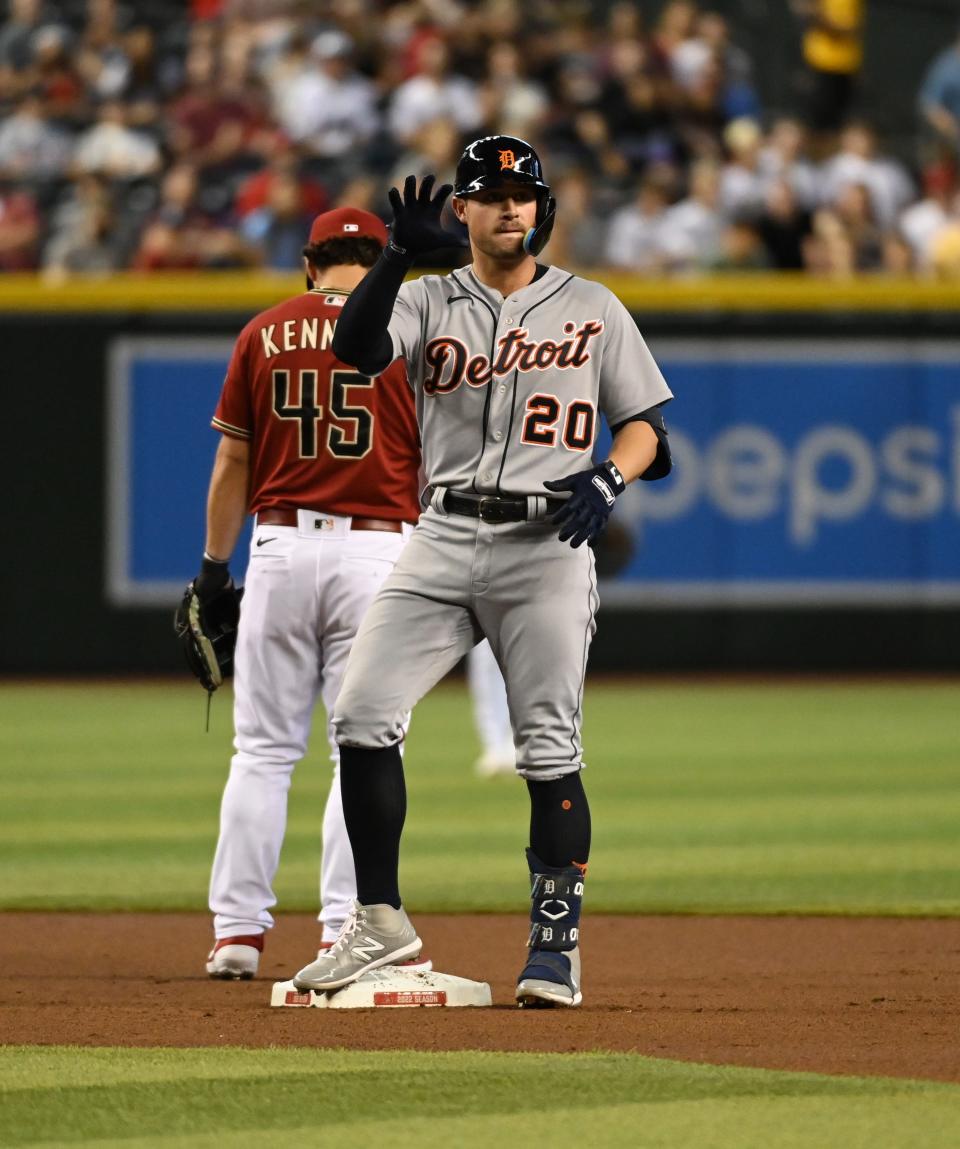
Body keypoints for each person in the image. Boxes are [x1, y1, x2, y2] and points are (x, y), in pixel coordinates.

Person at [291, 135, 673, 1007]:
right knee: (360, 710)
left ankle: (553, 944)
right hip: (443, 532)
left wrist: (612, 476)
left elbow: (647, 424)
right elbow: (354, 349)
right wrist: (392, 258)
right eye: (490, 194)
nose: (511, 207)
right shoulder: (427, 299)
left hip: (546, 547)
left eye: (524, 194)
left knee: (548, 749)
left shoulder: (592, 304)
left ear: (543, 208)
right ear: (460, 209)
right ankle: (379, 923)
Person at [199, 206, 424, 979]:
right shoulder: (406, 330)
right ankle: (341, 929)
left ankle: (236, 933)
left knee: (260, 750)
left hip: (281, 546)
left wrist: (210, 570)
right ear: (380, 258)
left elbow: (233, 463)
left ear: (310, 261)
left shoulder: (263, 330)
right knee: (358, 749)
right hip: (378, 553)